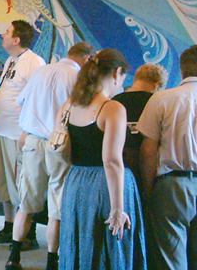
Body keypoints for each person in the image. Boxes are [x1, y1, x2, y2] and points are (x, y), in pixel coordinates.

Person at [5, 42, 94, 270]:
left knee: (26, 203)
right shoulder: (78, 78)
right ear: (86, 59)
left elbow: (21, 101)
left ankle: (14, 257)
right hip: (59, 142)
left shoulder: (41, 71)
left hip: (32, 141)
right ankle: (52, 262)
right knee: (57, 206)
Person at [59, 49, 146, 270]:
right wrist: (118, 208)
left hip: (76, 183)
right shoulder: (112, 108)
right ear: (117, 73)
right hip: (106, 187)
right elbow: (112, 161)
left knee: (80, 243)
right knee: (111, 249)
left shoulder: (69, 105)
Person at [138, 45, 197, 270]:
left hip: (172, 186)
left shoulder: (161, 99)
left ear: (182, 70)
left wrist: (148, 188)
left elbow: (148, 150)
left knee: (171, 260)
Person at [0, 20, 45, 245]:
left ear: (17, 39)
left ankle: (27, 233)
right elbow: (6, 94)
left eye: (7, 32)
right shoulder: (11, 60)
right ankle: (9, 226)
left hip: (18, 134)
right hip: (3, 131)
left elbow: (37, 99)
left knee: (21, 184)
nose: (3, 34)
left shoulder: (34, 62)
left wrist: (27, 131)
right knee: (4, 182)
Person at [112, 63, 167, 189]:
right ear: (157, 85)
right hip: (149, 168)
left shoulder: (114, 101)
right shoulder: (157, 102)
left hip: (119, 165)